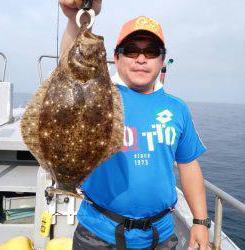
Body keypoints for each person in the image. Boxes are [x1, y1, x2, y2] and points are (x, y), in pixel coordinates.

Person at [59, 1, 210, 249]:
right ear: (116, 58)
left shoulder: (177, 108)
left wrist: (201, 221)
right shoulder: (98, 95)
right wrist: (74, 19)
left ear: (162, 61)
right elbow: (71, 72)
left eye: (151, 51)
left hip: (160, 235)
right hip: (98, 234)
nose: (141, 58)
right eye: (131, 50)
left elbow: (188, 164)